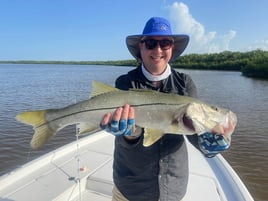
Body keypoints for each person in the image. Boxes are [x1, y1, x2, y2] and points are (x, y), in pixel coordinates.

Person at [100, 17, 230, 201]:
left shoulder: (185, 83)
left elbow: (193, 132)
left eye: (165, 43)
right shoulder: (125, 82)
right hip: (131, 187)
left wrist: (208, 144)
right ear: (141, 47)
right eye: (151, 43)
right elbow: (127, 135)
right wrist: (130, 135)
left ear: (172, 48)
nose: (158, 50)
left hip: (173, 187)